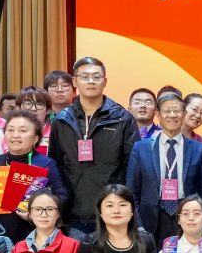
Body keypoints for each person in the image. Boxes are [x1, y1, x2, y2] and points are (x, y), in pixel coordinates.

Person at [47, 56, 139, 240]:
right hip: (72, 213)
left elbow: (132, 167)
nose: (91, 81)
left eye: (96, 77)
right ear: (75, 81)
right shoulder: (61, 119)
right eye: (85, 76)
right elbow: (55, 164)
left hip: (112, 211)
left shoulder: (122, 118)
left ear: (105, 81)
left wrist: (123, 205)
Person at [125, 92, 202, 244]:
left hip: (187, 217)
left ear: (184, 114)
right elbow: (132, 192)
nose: (172, 115)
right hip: (151, 219)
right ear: (158, 115)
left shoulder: (199, 149)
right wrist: (138, 225)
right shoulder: (141, 148)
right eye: (167, 111)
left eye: (177, 110)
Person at [0, 111, 70, 240]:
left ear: (35, 138)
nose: (15, 135)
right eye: (10, 130)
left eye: (23, 130)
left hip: (33, 234)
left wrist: (37, 212)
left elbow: (63, 196)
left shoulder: (46, 164)